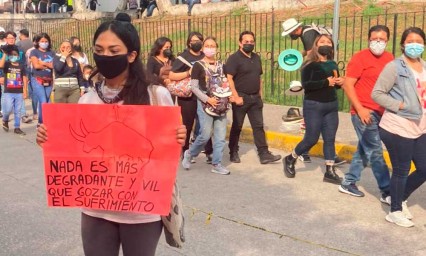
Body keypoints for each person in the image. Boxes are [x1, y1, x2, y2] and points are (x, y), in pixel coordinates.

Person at [36, 13, 187, 255]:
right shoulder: (87, 99)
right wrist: (49, 139)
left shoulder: (156, 96)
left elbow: (167, 156)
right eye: (99, 49)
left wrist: (178, 139)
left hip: (142, 211)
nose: (104, 56)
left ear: (131, 55)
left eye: (113, 49)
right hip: (96, 210)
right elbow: (74, 152)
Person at [372, 27, 426, 228]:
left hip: (420, 127)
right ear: (403, 44)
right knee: (401, 170)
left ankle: (398, 197)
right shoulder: (394, 67)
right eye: (410, 41)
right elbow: (377, 93)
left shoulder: (424, 67)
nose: (414, 45)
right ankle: (394, 211)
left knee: (424, 167)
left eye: (418, 41)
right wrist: (400, 105)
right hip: (397, 126)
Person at [338, 25, 393, 202]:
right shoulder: (360, 58)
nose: (378, 42)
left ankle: (348, 181)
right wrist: (360, 108)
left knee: (365, 149)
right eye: (374, 39)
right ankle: (388, 190)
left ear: (387, 40)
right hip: (364, 112)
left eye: (382, 39)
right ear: (368, 40)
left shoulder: (390, 58)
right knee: (375, 151)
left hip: (381, 112)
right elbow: (348, 84)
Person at [283, 34, 343, 184]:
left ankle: (330, 171)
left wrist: (339, 82)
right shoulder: (309, 64)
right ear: (316, 45)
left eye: (328, 42)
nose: (326, 44)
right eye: (322, 42)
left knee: (330, 139)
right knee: (311, 138)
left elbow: (335, 84)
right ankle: (291, 158)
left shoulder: (332, 64)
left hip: (331, 105)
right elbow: (307, 85)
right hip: (314, 105)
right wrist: (325, 82)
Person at [226, 31, 281, 164]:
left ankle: (264, 154)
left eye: (252, 42)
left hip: (255, 98)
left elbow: (259, 77)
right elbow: (229, 78)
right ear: (240, 43)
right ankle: (233, 151)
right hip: (241, 98)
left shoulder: (256, 58)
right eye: (246, 42)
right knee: (237, 126)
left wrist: (260, 95)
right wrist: (235, 96)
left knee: (258, 126)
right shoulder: (234, 58)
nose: (249, 44)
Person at [181, 36, 230, 175]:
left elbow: (225, 82)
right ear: (202, 48)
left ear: (216, 48)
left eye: (212, 45)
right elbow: (194, 87)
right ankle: (190, 154)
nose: (210, 48)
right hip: (204, 104)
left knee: (220, 136)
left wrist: (227, 95)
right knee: (205, 135)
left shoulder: (221, 65)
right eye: (207, 45)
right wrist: (208, 99)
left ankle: (217, 163)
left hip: (221, 104)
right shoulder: (198, 65)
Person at [169, 31, 205, 153]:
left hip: (203, 95)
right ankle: (185, 151)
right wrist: (187, 73)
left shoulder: (204, 56)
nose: (197, 43)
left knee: (205, 125)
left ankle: (207, 151)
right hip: (188, 97)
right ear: (189, 43)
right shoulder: (183, 58)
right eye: (194, 41)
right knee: (187, 124)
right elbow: (172, 75)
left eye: (199, 41)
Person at [0, 44, 28, 135]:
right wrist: (4, 54)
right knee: (7, 109)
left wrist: (25, 91)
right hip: (8, 92)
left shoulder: (21, 65)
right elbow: (1, 65)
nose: (13, 56)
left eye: (15, 55)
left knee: (18, 110)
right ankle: (5, 120)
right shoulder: (7, 64)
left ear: (18, 56)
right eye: (11, 55)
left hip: (19, 92)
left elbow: (24, 78)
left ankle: (17, 127)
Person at [29, 32, 54, 125]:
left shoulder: (52, 52)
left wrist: (43, 63)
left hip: (49, 80)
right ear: (38, 42)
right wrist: (48, 65)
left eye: (46, 41)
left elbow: (54, 65)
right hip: (37, 79)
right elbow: (36, 66)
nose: (44, 43)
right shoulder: (34, 52)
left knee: (47, 101)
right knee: (43, 101)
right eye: (42, 41)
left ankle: (42, 122)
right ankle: (43, 123)